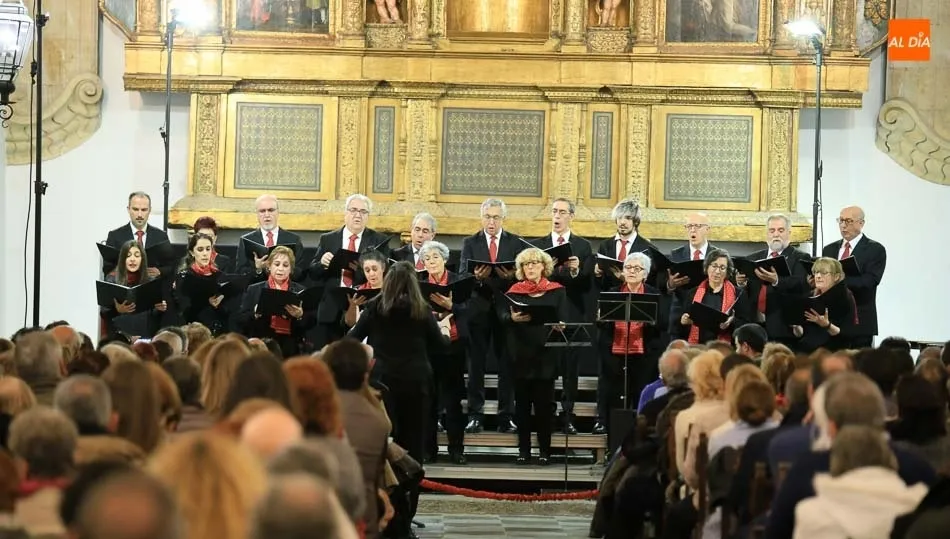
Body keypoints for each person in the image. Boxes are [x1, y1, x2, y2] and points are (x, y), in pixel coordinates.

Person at [347, 261, 447, 524]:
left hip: (382, 386)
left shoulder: (374, 308)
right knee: (413, 450)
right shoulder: (422, 310)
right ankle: (406, 518)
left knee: (386, 448)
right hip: (416, 383)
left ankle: (385, 516)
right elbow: (440, 346)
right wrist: (446, 330)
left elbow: (351, 341)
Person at [459, 198, 525, 435]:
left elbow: (523, 277)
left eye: (496, 217)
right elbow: (462, 276)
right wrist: (477, 278)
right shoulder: (470, 243)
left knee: (507, 364)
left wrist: (511, 277)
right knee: (476, 364)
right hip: (478, 311)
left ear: (503, 219)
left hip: (506, 311)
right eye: (487, 216)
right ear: (482, 217)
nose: (491, 222)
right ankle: (475, 415)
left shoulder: (515, 242)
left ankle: (506, 417)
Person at [531, 198, 593, 435]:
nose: (557, 216)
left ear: (571, 216)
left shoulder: (583, 246)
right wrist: (546, 269)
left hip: (572, 312)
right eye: (554, 211)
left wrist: (576, 271)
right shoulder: (538, 246)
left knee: (570, 370)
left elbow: (587, 285)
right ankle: (544, 416)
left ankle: (567, 416)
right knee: (545, 369)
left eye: (562, 212)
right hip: (545, 313)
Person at [501, 248, 568, 465]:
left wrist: (561, 325)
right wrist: (511, 319)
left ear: (544, 266)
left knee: (544, 408)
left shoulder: (557, 291)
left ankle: (545, 452)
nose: (530, 267)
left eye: (534, 263)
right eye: (526, 264)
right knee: (521, 407)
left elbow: (564, 318)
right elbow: (502, 316)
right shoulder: (514, 291)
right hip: (520, 355)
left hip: (545, 355)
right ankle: (524, 451)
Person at [309, 194, 391, 349]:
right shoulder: (328, 239)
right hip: (331, 307)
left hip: (365, 306)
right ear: (345, 212)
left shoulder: (379, 240)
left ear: (368, 216)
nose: (358, 215)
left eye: (363, 211)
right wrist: (322, 264)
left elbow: (385, 274)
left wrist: (359, 269)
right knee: (329, 356)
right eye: (353, 210)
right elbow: (313, 273)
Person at [595, 252, 664, 434]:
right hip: (614, 353)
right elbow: (601, 323)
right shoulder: (612, 293)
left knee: (639, 393)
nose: (632, 271)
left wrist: (651, 321)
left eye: (637, 268)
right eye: (628, 267)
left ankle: (640, 433)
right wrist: (601, 318)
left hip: (643, 354)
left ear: (645, 274)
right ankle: (609, 431)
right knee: (614, 395)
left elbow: (662, 324)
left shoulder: (654, 294)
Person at [419, 240, 469, 465]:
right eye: (427, 259)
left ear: (445, 259)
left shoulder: (459, 282)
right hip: (428, 348)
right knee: (428, 402)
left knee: (453, 402)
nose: (431, 262)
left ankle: (456, 450)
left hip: (453, 348)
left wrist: (451, 307)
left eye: (435, 257)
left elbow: (471, 311)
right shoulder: (419, 284)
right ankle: (428, 450)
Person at [736, 214, 811, 348]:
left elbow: (801, 285)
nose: (776, 234)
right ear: (767, 233)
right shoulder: (752, 258)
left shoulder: (800, 257)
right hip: (753, 325)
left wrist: (777, 281)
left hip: (782, 326)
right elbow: (746, 292)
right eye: (772, 230)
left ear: (789, 233)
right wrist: (741, 283)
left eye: (781, 230)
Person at [821, 206, 886, 348]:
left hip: (860, 319)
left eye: (849, 221)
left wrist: (836, 281)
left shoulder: (875, 249)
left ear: (861, 223)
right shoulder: (829, 249)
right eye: (841, 221)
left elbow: (870, 281)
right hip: (832, 320)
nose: (843, 225)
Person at [238, 246, 315, 358]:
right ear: (269, 266)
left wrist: (300, 316)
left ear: (291, 269)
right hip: (262, 345)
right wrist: (255, 312)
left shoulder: (301, 291)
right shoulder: (254, 289)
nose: (281, 269)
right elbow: (241, 320)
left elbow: (310, 323)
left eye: (285, 265)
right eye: (277, 264)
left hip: (291, 346)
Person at [670, 248, 750, 345]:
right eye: (714, 266)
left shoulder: (738, 294)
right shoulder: (692, 293)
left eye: (722, 268)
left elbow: (746, 325)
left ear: (727, 271)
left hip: (725, 347)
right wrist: (683, 322)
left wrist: (731, 322)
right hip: (698, 347)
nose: (717, 271)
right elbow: (680, 327)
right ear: (707, 267)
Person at [100, 240, 167, 339]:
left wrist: (159, 308)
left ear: (142, 259)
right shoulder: (112, 279)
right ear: (123, 259)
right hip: (119, 336)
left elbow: (153, 315)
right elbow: (104, 312)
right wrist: (117, 310)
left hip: (144, 335)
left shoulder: (151, 280)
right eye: (128, 256)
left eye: (137, 256)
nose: (132, 259)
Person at [789, 257, 858, 353]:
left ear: (836, 276)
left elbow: (847, 335)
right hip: (808, 351)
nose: (818, 276)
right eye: (816, 272)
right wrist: (796, 325)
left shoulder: (846, 297)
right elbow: (801, 334)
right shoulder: (809, 296)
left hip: (833, 352)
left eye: (824, 273)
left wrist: (827, 325)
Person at [235, 194, 306, 283]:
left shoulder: (294, 240)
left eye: (271, 210)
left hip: (286, 289)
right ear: (257, 214)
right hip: (257, 289)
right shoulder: (246, 240)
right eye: (262, 211)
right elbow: (240, 273)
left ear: (278, 212)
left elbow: (300, 273)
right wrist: (258, 269)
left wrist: (284, 268)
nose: (267, 215)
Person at [174, 233, 233, 336]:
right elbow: (183, 310)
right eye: (200, 250)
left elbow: (229, 310)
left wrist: (220, 302)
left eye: (208, 249)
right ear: (192, 252)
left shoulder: (220, 275)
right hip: (194, 331)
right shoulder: (184, 277)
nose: (205, 253)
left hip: (219, 331)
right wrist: (207, 302)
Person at [103, 192, 171, 278]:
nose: (139, 215)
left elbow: (170, 266)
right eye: (135, 209)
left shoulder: (161, 236)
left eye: (144, 210)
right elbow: (107, 268)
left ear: (149, 210)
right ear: (128, 209)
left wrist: (160, 271)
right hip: (124, 284)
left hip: (153, 284)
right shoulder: (115, 236)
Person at [342, 252, 388, 328]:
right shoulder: (357, 292)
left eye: (375, 269)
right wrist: (353, 306)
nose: (371, 274)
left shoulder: (393, 289)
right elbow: (350, 324)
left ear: (383, 267)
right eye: (367, 270)